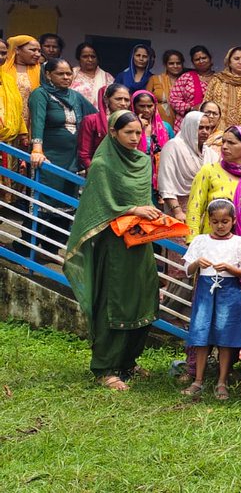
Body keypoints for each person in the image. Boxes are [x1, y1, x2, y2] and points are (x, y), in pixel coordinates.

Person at [61, 111, 158, 390]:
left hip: (140, 241)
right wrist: (132, 209)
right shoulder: (102, 165)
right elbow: (99, 205)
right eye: (128, 132)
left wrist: (152, 216)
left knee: (143, 297)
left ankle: (128, 361)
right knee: (114, 301)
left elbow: (144, 201)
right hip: (114, 245)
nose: (134, 138)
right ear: (112, 133)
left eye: (138, 133)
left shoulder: (142, 161)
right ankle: (105, 367)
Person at [180, 199, 241, 400]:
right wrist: (196, 264)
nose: (220, 226)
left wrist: (229, 268)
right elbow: (186, 269)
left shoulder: (240, 243)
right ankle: (198, 380)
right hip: (205, 291)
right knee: (201, 333)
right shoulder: (201, 241)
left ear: (233, 221)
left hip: (229, 292)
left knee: (226, 336)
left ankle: (222, 381)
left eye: (225, 221)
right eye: (215, 221)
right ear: (209, 221)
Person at [28, 58, 98, 247]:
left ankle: (52, 247)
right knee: (44, 200)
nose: (66, 77)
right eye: (61, 73)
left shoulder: (75, 96)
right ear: (48, 75)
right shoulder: (40, 94)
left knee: (66, 202)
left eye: (69, 73)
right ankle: (28, 247)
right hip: (49, 157)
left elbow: (95, 117)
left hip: (71, 159)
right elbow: (38, 121)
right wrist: (37, 149)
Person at [186, 126, 241, 241]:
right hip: (211, 247)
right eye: (224, 142)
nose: (225, 147)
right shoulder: (209, 171)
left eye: (231, 143)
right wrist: (193, 243)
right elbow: (194, 208)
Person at [159, 111, 211, 221]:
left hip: (203, 211)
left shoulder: (210, 153)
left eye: (208, 128)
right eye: (200, 127)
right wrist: (177, 212)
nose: (205, 132)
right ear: (189, 127)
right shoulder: (173, 146)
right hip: (179, 210)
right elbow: (166, 182)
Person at [203, 47, 241, 130]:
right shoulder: (217, 80)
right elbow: (206, 104)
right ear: (229, 62)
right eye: (236, 59)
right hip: (216, 132)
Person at [77, 84, 130, 170]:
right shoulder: (91, 121)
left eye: (127, 100)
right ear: (106, 99)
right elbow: (84, 154)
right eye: (118, 99)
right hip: (98, 169)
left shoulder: (132, 122)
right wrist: (95, 170)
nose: (123, 103)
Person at [130, 90, 174, 191]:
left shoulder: (165, 127)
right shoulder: (128, 127)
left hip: (162, 174)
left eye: (150, 106)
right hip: (136, 173)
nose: (146, 110)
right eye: (141, 106)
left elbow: (173, 151)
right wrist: (138, 126)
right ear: (133, 106)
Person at [168, 46, 216, 129]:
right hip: (187, 121)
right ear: (193, 63)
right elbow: (174, 99)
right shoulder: (186, 77)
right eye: (197, 59)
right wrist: (191, 108)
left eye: (204, 58)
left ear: (210, 59)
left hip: (211, 123)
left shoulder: (219, 79)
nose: (201, 61)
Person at [2, 35, 43, 123]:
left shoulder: (41, 71)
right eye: (33, 50)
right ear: (17, 50)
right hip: (6, 119)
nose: (38, 54)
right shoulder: (3, 70)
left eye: (39, 51)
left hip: (31, 120)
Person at [146, 49, 184, 127]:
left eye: (178, 63)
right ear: (165, 64)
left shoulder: (187, 81)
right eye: (171, 63)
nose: (175, 66)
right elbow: (145, 101)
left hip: (182, 123)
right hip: (158, 123)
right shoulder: (155, 79)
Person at [70, 43, 114, 110]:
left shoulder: (107, 77)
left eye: (93, 56)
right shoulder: (70, 74)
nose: (90, 60)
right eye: (85, 56)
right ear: (78, 58)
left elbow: (112, 100)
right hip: (74, 115)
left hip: (99, 118)